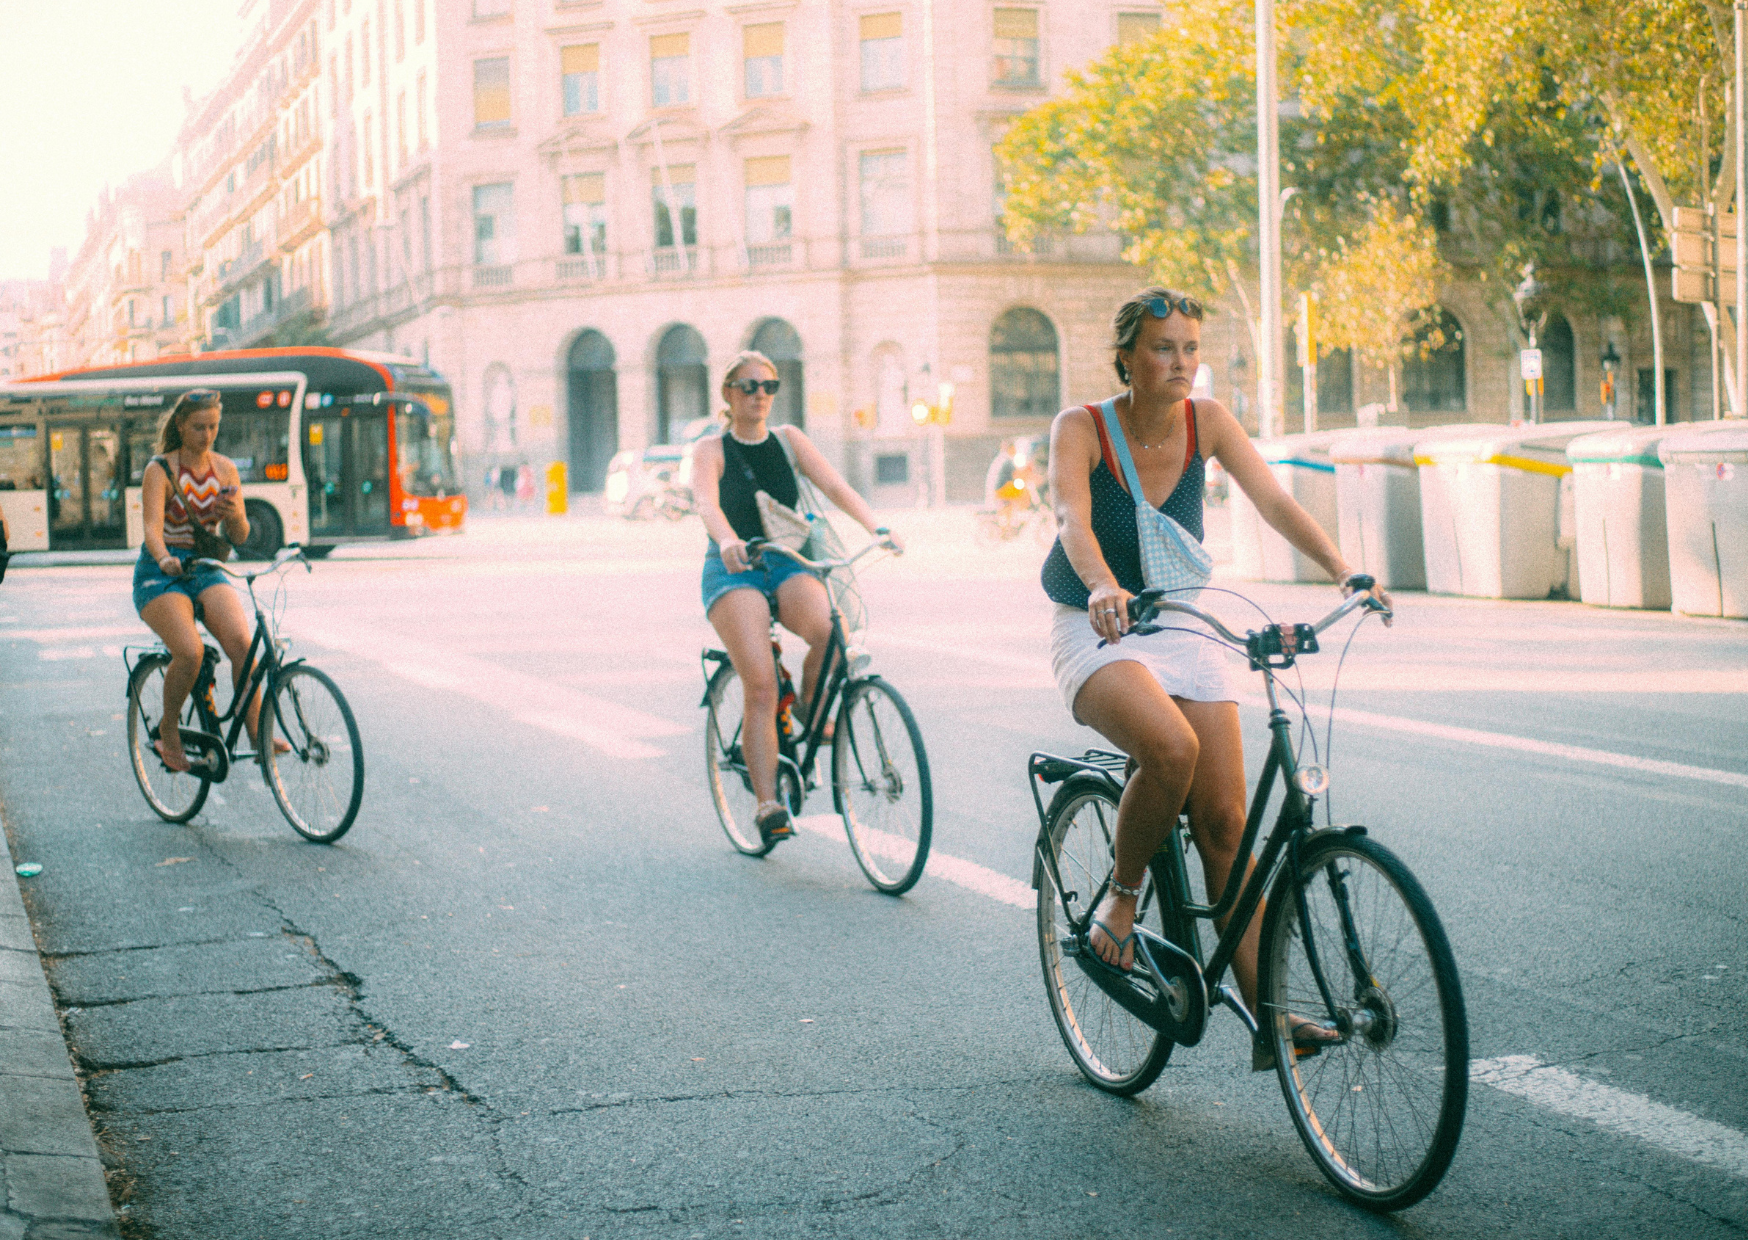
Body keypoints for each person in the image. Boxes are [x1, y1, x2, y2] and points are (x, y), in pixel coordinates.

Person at [1039, 287, 1389, 1064]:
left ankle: (1274, 1018)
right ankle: (1122, 905)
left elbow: (1272, 499)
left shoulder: (1209, 423)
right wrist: (1100, 585)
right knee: (1171, 751)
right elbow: (1073, 519)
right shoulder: (1082, 427)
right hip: (1095, 628)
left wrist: (1344, 572)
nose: (1181, 364)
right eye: (1164, 349)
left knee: (1226, 824)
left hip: (1183, 625)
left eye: (1191, 349)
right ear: (1126, 356)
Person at [692, 350, 902, 844]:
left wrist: (878, 526)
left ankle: (809, 706)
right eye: (748, 387)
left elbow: (832, 484)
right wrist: (726, 540)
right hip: (734, 570)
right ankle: (767, 805)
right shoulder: (711, 448)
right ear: (728, 393)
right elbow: (705, 500)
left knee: (833, 631)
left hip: (789, 561)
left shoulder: (789, 441)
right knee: (761, 686)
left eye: (769, 386)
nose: (760, 395)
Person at [133, 389, 280, 772]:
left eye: (213, 426)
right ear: (180, 425)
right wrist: (164, 559)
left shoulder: (226, 470)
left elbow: (242, 536)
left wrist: (234, 516)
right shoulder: (159, 470)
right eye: (199, 427)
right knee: (191, 651)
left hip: (205, 566)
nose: (207, 435)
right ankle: (169, 728)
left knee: (243, 645)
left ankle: (256, 734)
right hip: (160, 572)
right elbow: (151, 529)